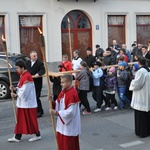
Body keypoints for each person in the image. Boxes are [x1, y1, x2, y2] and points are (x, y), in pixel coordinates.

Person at [8, 60, 41, 142]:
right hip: (23, 103)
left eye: (18, 68)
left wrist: (16, 95)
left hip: (28, 103)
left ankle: (37, 134)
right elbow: (21, 88)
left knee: (31, 120)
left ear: (22, 67)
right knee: (20, 120)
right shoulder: (23, 75)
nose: (16, 70)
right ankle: (17, 137)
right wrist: (15, 88)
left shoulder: (27, 77)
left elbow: (25, 92)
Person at [49, 74, 81, 150]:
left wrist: (56, 113)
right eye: (61, 82)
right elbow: (58, 103)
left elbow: (70, 112)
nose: (61, 84)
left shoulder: (72, 94)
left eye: (63, 82)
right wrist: (52, 101)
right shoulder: (64, 91)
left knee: (69, 146)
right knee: (62, 144)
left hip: (70, 125)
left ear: (69, 83)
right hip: (62, 123)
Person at [129, 57, 150, 138]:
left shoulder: (141, 71)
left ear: (139, 63)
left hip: (141, 96)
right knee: (147, 114)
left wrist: (132, 82)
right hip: (147, 94)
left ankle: (142, 132)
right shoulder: (148, 69)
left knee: (141, 116)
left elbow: (137, 84)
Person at [26, 50, 45, 118]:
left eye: (36, 56)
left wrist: (38, 73)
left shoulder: (40, 63)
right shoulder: (28, 62)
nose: (35, 57)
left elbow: (43, 70)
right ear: (30, 56)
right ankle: (33, 110)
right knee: (31, 97)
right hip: (30, 82)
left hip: (37, 83)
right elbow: (26, 70)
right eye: (34, 56)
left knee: (36, 97)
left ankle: (40, 111)